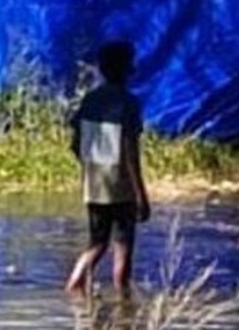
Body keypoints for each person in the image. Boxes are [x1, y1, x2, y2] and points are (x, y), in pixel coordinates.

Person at [64, 41, 151, 300]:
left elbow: (75, 145)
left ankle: (74, 286)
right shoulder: (129, 103)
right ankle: (124, 305)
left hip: (94, 185)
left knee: (97, 243)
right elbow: (130, 151)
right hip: (121, 188)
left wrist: (91, 167)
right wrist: (140, 195)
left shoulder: (90, 100)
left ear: (101, 69)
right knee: (123, 247)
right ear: (128, 69)